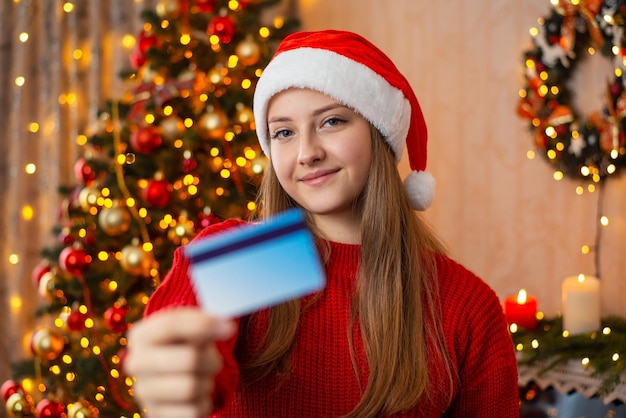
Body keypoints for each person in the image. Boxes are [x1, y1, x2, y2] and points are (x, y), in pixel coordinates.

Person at [124, 30, 520, 417]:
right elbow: (186, 344)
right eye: (284, 132)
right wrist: (177, 368)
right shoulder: (256, 259)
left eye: (331, 122)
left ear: (378, 133)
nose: (307, 153)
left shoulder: (464, 304)